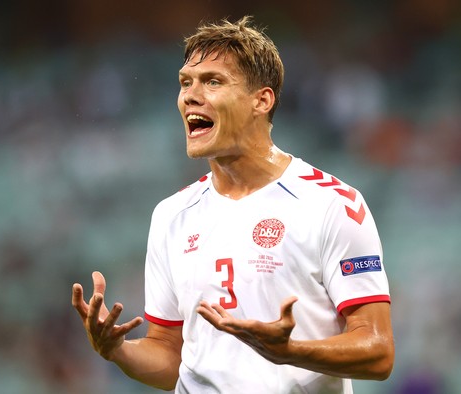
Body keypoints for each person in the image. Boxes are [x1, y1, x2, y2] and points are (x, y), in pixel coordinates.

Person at [72, 16, 394, 394]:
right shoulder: (171, 216)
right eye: (185, 82)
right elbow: (171, 357)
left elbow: (378, 351)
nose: (191, 95)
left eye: (213, 81)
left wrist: (289, 351)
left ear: (262, 100)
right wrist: (118, 352)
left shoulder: (332, 204)